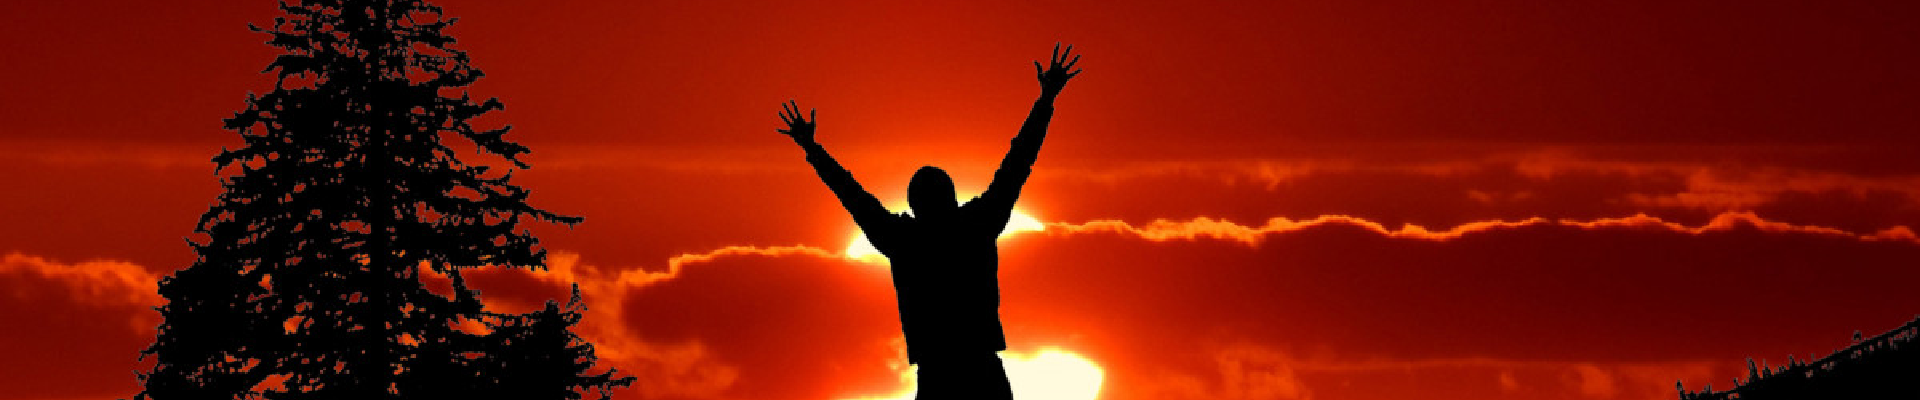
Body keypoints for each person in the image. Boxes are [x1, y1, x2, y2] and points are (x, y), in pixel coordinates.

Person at [775, 44, 1081, 400]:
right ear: (952, 196)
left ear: (913, 205)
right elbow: (1017, 163)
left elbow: (853, 196)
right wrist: (1046, 100)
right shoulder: (976, 224)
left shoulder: (904, 239)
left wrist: (813, 149)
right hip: (980, 369)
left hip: (938, 374)